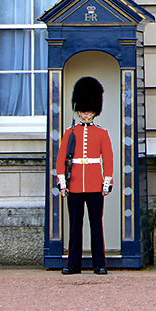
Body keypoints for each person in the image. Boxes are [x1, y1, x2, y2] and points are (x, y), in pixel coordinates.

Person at [55, 76, 114, 275]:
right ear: (79, 110)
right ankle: (73, 264)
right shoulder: (69, 133)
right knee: (75, 225)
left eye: (89, 110)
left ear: (95, 111)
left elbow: (108, 158)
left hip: (95, 184)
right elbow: (61, 159)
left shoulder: (102, 133)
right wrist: (62, 183)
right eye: (83, 109)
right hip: (74, 185)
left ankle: (99, 263)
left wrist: (107, 182)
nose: (86, 113)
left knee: (96, 225)